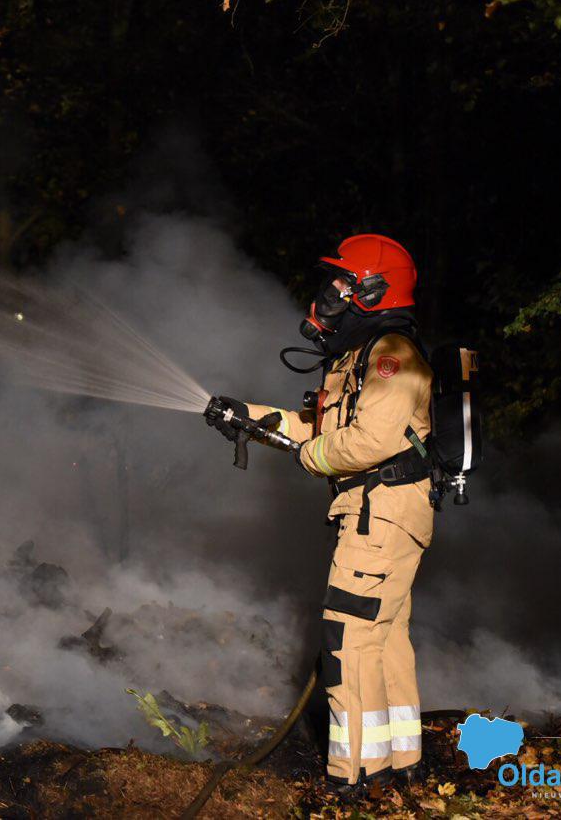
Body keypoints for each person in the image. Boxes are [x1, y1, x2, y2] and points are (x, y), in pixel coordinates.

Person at [208, 234, 434, 789]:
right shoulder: (361, 355)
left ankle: (352, 778)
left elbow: (370, 441)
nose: (329, 293)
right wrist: (248, 417)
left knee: (348, 643)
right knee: (383, 640)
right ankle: (401, 764)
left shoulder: (393, 356)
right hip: (380, 510)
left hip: (380, 512)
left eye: (342, 283)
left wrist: (309, 457)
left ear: (374, 292)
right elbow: (322, 428)